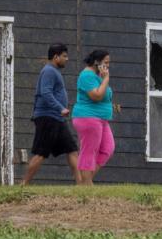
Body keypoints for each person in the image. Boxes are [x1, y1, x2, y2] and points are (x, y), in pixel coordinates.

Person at [22, 43, 80, 185]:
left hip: (57, 119)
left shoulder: (54, 71)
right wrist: (60, 108)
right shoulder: (49, 71)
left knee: (72, 149)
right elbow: (45, 92)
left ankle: (81, 184)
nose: (67, 59)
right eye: (64, 56)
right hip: (48, 117)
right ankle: (23, 185)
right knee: (41, 153)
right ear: (56, 57)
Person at [72, 49, 115, 185]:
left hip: (102, 119)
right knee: (89, 151)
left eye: (109, 63)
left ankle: (85, 182)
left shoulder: (98, 77)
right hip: (88, 117)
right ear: (97, 62)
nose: (108, 66)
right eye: (106, 62)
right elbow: (96, 96)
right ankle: (86, 184)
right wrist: (106, 79)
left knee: (108, 148)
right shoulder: (86, 76)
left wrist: (103, 79)